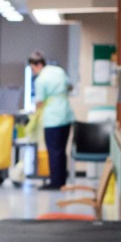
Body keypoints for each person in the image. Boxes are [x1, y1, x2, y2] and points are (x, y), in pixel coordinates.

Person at [28, 50, 74, 190]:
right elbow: (70, 86)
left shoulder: (41, 79)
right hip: (66, 115)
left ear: (37, 65)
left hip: (53, 118)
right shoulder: (58, 70)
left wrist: (33, 116)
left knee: (53, 151)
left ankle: (55, 182)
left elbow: (39, 102)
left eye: (32, 68)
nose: (33, 71)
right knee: (62, 150)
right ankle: (62, 180)